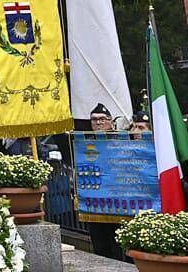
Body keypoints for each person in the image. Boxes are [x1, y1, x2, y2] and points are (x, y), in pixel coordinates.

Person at [85, 103, 124, 261]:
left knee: (118, 246)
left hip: (118, 202)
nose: (98, 123)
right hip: (95, 202)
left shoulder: (121, 140)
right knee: (100, 245)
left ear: (111, 121)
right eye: (94, 120)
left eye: (102, 119)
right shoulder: (84, 142)